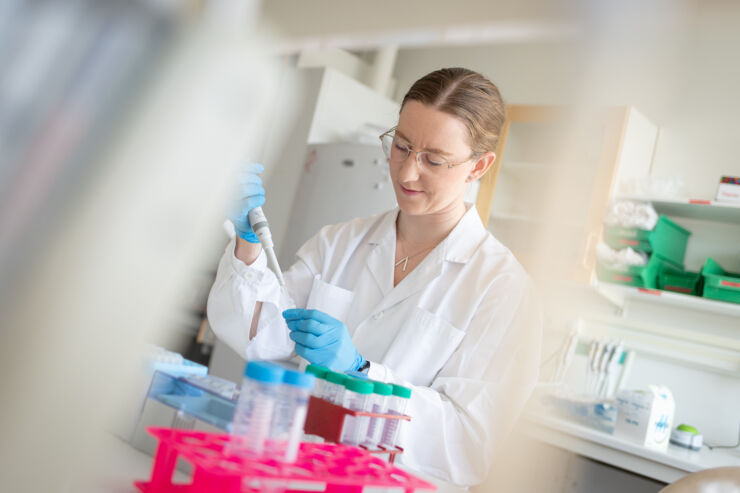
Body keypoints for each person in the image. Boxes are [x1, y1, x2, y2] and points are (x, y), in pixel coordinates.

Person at [207, 67, 542, 487]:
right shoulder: (340, 241)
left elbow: (467, 445)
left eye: (433, 160)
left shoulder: (502, 289)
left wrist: (362, 371)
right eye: (401, 146)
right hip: (293, 477)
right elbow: (262, 337)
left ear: (480, 166)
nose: (406, 173)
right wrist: (248, 244)